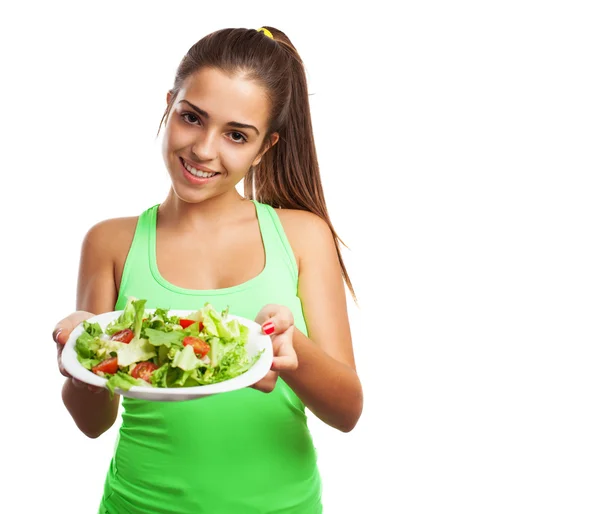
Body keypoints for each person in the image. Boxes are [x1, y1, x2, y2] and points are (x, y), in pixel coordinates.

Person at [52, 26, 363, 514]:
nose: (203, 149)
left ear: (265, 148)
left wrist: (290, 350)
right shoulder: (110, 242)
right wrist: (81, 360)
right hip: (139, 504)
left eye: (236, 135)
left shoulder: (302, 236)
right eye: (192, 118)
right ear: (169, 104)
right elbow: (93, 422)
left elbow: (347, 411)